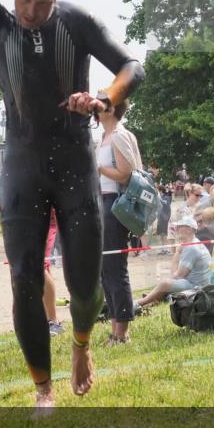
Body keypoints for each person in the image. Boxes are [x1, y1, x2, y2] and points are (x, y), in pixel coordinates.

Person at [0, 0, 144, 409]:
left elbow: (132, 67)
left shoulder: (76, 22)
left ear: (55, 1)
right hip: (23, 165)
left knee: (84, 284)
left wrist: (103, 98)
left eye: (41, 3)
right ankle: (43, 389)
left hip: (75, 164)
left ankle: (81, 344)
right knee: (24, 278)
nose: (30, 11)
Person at [95, 100, 144, 345]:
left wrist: (99, 169)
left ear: (112, 109)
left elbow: (126, 173)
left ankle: (122, 332)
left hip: (116, 204)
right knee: (106, 270)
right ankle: (115, 328)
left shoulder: (119, 136)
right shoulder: (105, 136)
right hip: (103, 202)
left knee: (115, 268)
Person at [138, 215, 211, 307]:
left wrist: (177, 253)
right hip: (200, 284)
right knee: (165, 284)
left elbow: (178, 276)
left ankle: (140, 303)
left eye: (179, 227)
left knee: (165, 283)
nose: (176, 229)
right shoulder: (194, 243)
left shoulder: (191, 248)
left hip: (196, 286)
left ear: (189, 229)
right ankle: (153, 297)